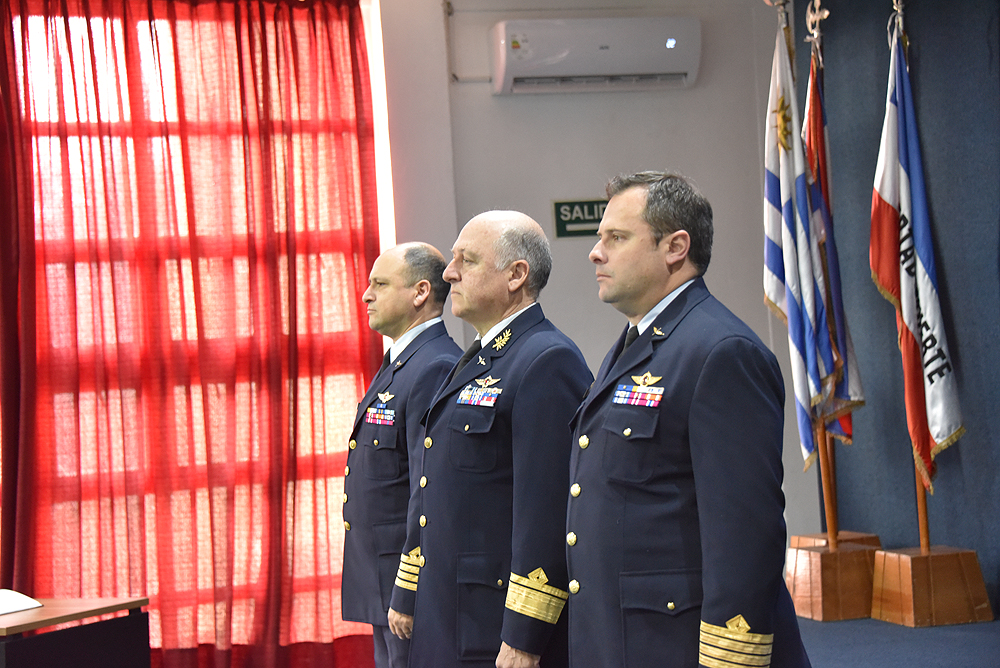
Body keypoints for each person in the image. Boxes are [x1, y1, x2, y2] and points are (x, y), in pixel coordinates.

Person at [565, 172, 811, 668]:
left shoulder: (721, 351)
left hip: (678, 643)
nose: (596, 252)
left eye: (616, 237)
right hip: (623, 635)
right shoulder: (639, 343)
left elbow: (745, 529)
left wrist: (730, 657)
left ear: (675, 246)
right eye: (598, 239)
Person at [387, 211, 593, 668]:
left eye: (468, 260)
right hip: (449, 609)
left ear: (516, 275)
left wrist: (526, 634)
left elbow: (546, 509)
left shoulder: (546, 360)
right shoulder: (480, 356)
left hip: (493, 625)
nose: (449, 272)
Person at [342, 242, 462, 668]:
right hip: (383, 578)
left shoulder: (433, 365)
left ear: (420, 292)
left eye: (380, 283)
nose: (366, 294)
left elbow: (425, 490)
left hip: (407, 582)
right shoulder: (402, 360)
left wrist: (408, 588)